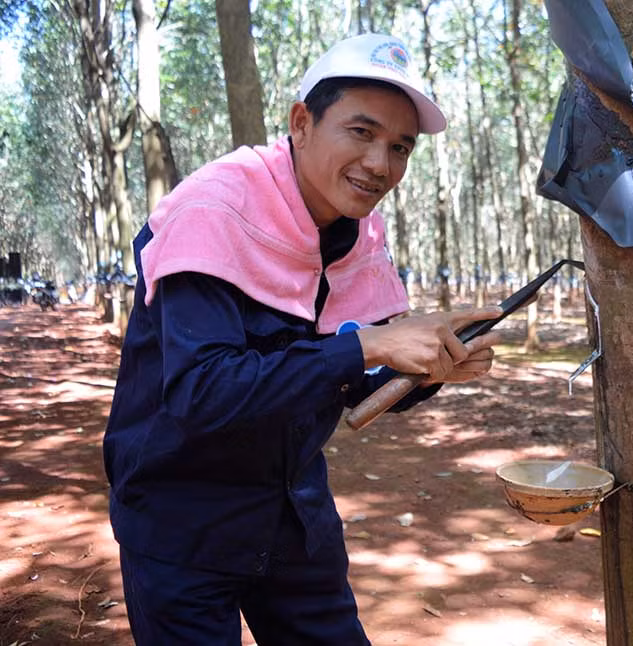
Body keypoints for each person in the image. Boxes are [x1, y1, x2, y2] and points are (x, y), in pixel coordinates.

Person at [103, 33, 502, 645]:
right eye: (362, 132)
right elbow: (201, 393)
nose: (381, 164)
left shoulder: (358, 237)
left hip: (293, 517)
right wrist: (369, 345)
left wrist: (429, 371)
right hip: (181, 522)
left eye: (401, 147)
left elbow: (353, 380)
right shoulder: (215, 211)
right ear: (301, 123)